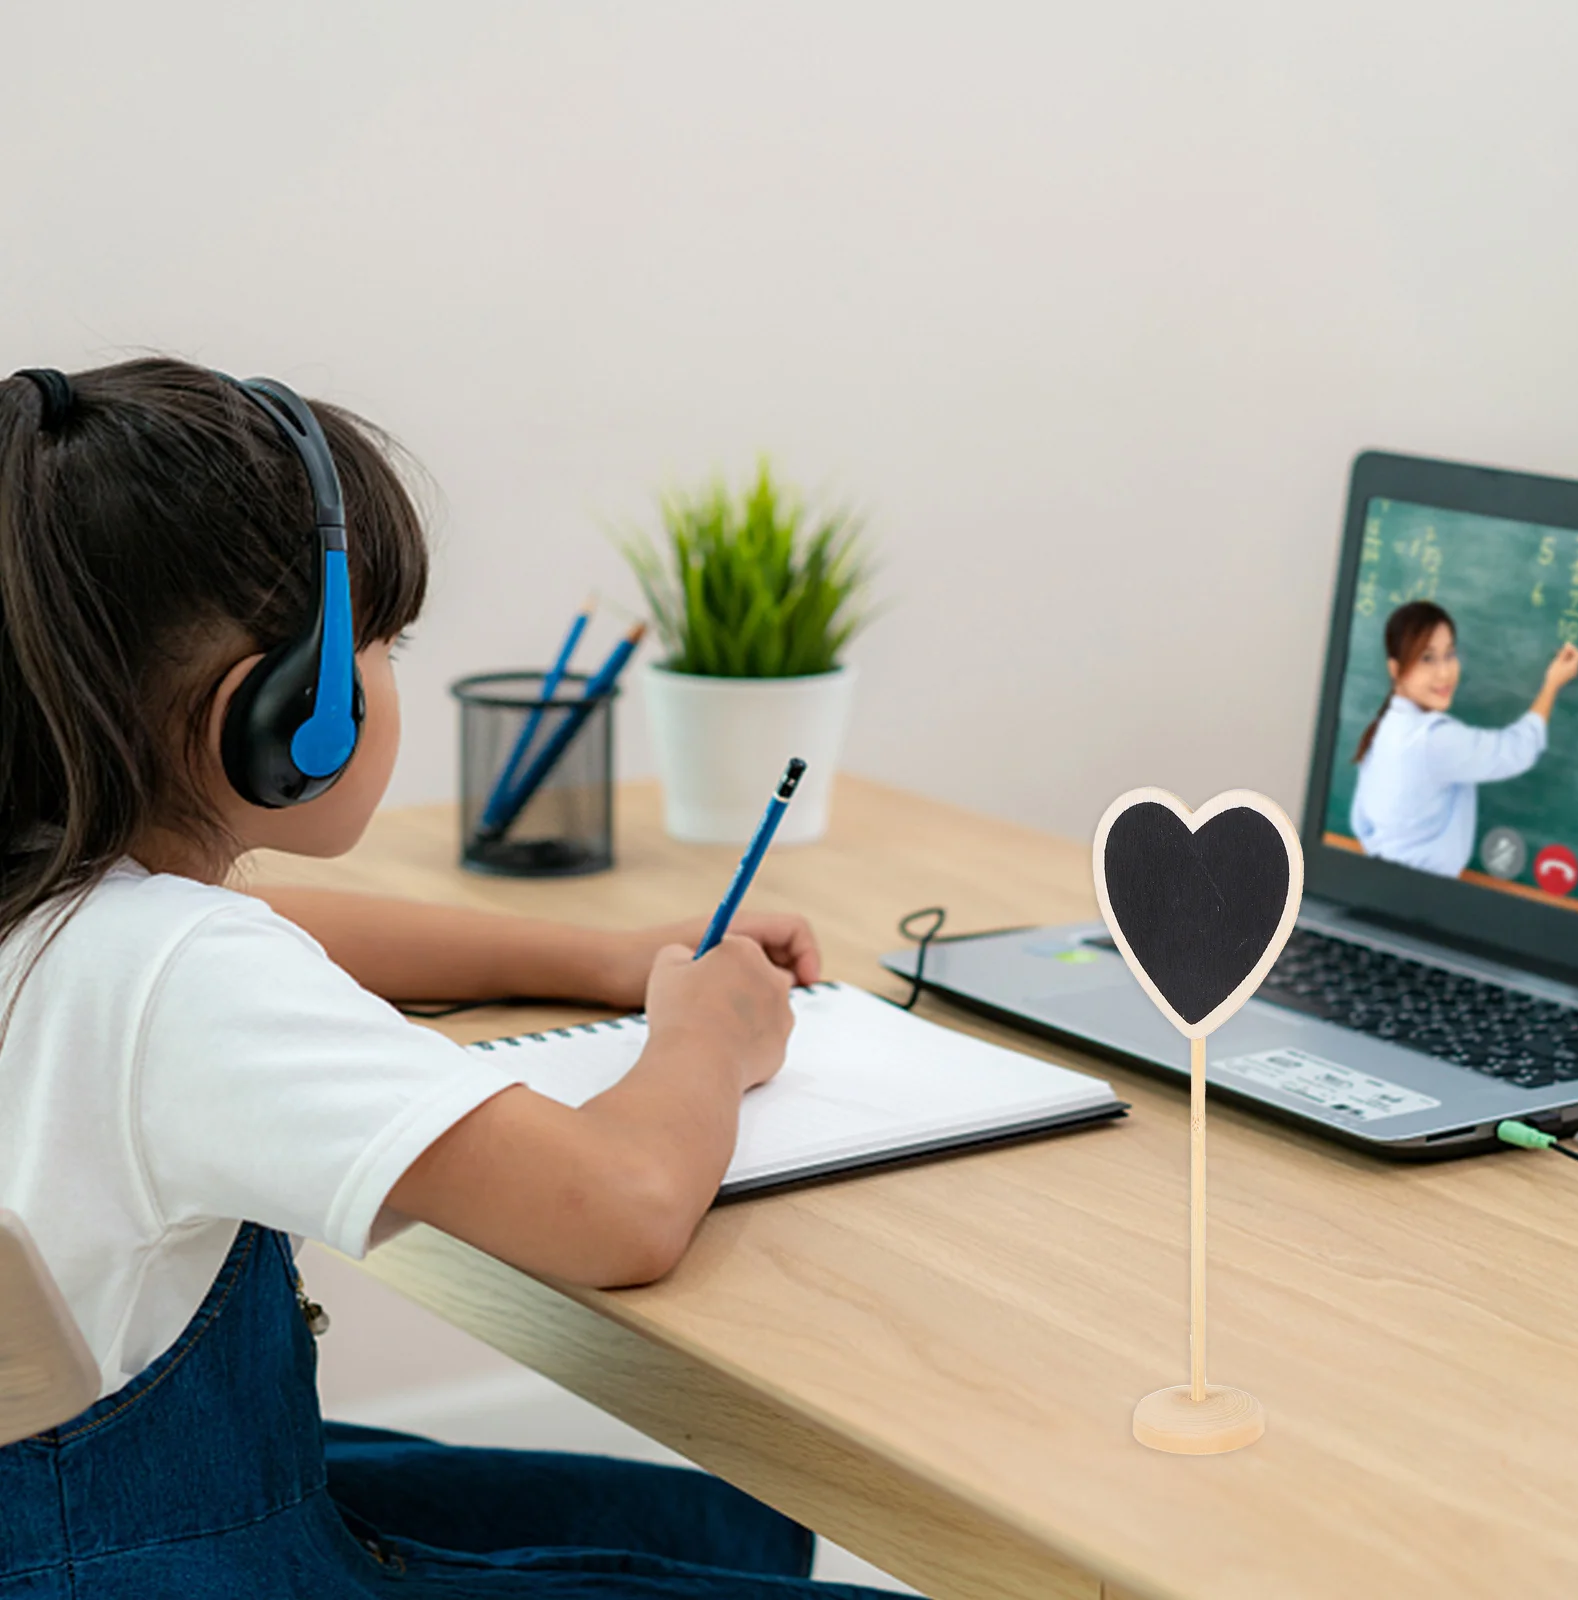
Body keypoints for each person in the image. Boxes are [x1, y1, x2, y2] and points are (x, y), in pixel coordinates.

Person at [0, 359, 902, 1597]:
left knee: (686, 1518)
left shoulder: (57, 906)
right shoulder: (185, 975)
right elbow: (621, 1209)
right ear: (287, 714)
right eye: (375, 644)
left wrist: (596, 957)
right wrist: (709, 1036)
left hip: (64, 1524)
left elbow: (253, 930)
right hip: (189, 1564)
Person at [1349, 600, 1578, 877]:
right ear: (1395, 669)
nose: (1445, 672)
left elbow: (1360, 822)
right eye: (1427, 658)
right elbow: (1517, 749)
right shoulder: (1432, 740)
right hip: (1421, 895)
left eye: (1449, 654)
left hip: (1380, 880)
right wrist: (1552, 684)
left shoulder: (1384, 728)